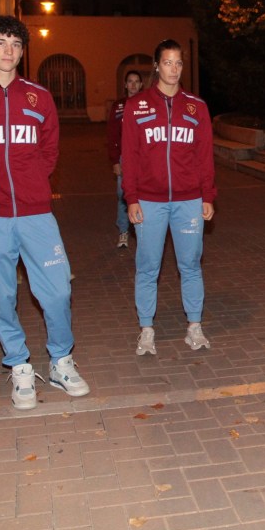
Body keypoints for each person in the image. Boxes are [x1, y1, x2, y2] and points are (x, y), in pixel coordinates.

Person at [0, 15, 89, 410]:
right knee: (2, 295)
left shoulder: (38, 98)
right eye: (1, 42)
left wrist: (34, 184)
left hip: (36, 213)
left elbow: (50, 149)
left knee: (58, 290)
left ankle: (61, 360)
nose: (9, 50)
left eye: (16, 44)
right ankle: (19, 365)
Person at [122, 39, 216, 357]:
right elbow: (130, 156)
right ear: (156, 65)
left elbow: (204, 156)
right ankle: (146, 329)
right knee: (148, 267)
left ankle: (194, 325)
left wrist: (208, 195)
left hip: (189, 200)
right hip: (149, 201)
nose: (173, 70)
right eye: (167, 63)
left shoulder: (197, 107)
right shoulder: (137, 106)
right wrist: (131, 198)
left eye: (178, 63)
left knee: (190, 265)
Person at [107, 70, 144, 248]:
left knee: (143, 195)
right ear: (125, 84)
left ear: (141, 84)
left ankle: (141, 230)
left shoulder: (146, 105)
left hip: (143, 158)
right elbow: (112, 135)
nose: (133, 85)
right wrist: (115, 161)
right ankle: (123, 230)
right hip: (124, 158)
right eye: (130, 81)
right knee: (123, 195)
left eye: (137, 81)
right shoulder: (118, 106)